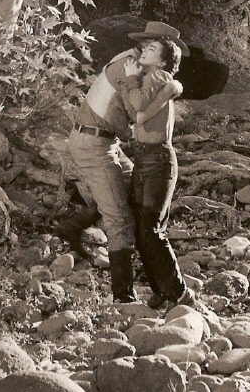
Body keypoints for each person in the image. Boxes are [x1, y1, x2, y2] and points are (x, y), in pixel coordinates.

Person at [56, 35, 142, 303]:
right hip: (94, 142)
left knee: (130, 186)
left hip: (103, 139)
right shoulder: (129, 68)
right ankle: (123, 294)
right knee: (119, 217)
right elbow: (139, 117)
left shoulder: (129, 61)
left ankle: (71, 227)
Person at [120, 24, 197, 309]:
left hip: (157, 161)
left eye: (151, 49)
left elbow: (138, 102)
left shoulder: (157, 75)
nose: (144, 51)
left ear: (164, 61)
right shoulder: (156, 76)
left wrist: (130, 79)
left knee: (150, 230)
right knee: (145, 229)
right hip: (146, 159)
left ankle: (179, 294)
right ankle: (162, 292)